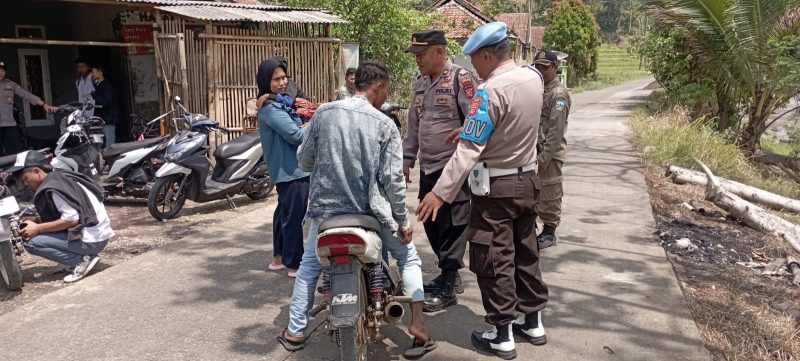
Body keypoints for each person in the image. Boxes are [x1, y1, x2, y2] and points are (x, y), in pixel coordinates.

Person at [277, 61, 436, 359]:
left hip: (326, 214)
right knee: (407, 256)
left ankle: (295, 331)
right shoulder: (385, 124)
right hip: (371, 214)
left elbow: (304, 160)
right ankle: (418, 326)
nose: (383, 97)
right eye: (384, 91)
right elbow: (392, 181)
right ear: (377, 86)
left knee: (309, 267)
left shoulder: (323, 113)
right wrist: (402, 221)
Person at [416, 22, 549, 359]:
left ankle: (501, 332)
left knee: (495, 257)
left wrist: (440, 193)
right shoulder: (532, 78)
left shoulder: (488, 92)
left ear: (488, 54)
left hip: (497, 188)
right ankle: (532, 321)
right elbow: (512, 120)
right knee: (526, 251)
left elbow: (468, 152)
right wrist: (467, 127)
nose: (474, 67)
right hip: (528, 180)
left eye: (476, 59)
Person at [403, 29, 478, 312]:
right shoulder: (421, 82)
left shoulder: (462, 79)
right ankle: (450, 274)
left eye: (421, 55)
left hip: (454, 168)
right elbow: (414, 124)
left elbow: (474, 122)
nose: (417, 60)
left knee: (453, 225)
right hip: (429, 167)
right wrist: (407, 158)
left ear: (439, 51)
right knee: (430, 221)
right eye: (416, 56)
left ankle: (448, 282)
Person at [8, 151, 113, 283]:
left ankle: (83, 261)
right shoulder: (60, 176)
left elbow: (71, 219)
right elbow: (70, 213)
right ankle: (83, 256)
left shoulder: (53, 188)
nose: (26, 184)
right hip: (98, 234)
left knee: (31, 242)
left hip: (92, 240)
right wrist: (37, 220)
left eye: (25, 179)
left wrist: (38, 228)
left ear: (37, 171)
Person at [256, 57, 309, 278]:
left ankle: (278, 258)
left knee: (284, 214)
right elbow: (295, 135)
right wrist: (310, 124)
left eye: (283, 77)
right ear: (265, 81)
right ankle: (294, 263)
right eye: (276, 79)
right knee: (294, 217)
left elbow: (295, 90)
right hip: (292, 171)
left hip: (288, 170)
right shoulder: (271, 109)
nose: (282, 82)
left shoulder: (277, 102)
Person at [532, 49, 572, 249]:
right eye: (537, 67)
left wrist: (544, 159)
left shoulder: (558, 95)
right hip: (534, 151)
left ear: (555, 68)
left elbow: (555, 133)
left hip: (549, 153)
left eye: (545, 67)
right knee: (532, 193)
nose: (541, 70)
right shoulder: (539, 90)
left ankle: (549, 231)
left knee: (550, 192)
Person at [0, 61, 57, 156]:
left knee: (17, 153)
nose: (0, 73)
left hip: (9, 124)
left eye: (2, 70)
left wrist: (43, 104)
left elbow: (27, 95)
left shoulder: (10, 84)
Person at [90, 65, 116, 147]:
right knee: (99, 143)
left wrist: (94, 96)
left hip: (108, 119)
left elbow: (107, 101)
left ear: (100, 72)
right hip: (100, 119)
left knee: (109, 144)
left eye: (93, 72)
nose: (92, 74)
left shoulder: (107, 85)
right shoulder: (99, 85)